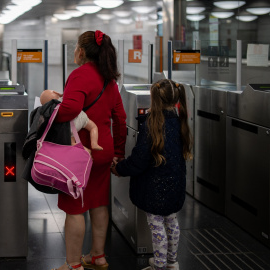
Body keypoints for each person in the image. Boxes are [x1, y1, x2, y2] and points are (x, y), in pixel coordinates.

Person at [51, 30, 126, 270]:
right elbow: (120, 119)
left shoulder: (80, 75)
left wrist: (52, 104)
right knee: (98, 203)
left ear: (81, 51)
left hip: (79, 155)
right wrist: (119, 154)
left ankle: (73, 264)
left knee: (75, 209)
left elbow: (68, 110)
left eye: (75, 47)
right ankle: (97, 256)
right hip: (104, 152)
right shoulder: (109, 79)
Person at [112, 79, 193, 270]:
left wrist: (119, 168)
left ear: (154, 99)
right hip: (175, 185)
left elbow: (140, 160)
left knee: (157, 227)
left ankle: (158, 265)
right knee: (172, 223)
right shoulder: (180, 121)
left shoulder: (151, 125)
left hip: (153, 188)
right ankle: (172, 263)